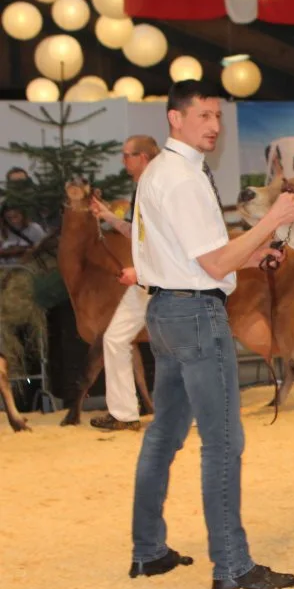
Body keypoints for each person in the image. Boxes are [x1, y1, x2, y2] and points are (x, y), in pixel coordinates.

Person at [130, 80, 294, 589]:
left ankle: (148, 550)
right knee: (223, 442)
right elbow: (210, 261)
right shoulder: (181, 177)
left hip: (165, 309)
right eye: (203, 115)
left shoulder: (163, 171)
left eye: (218, 117)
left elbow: (197, 256)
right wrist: (271, 221)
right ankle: (231, 565)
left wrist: (251, 254)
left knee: (164, 435)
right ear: (174, 119)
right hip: (196, 318)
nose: (213, 125)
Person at [87, 135, 160, 431]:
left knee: (178, 346)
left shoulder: (156, 186)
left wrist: (140, 271)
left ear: (142, 157)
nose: (123, 161)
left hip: (163, 279)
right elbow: (139, 233)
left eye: (127, 155)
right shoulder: (144, 187)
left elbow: (164, 239)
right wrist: (107, 216)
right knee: (115, 338)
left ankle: (196, 412)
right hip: (145, 280)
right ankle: (124, 413)